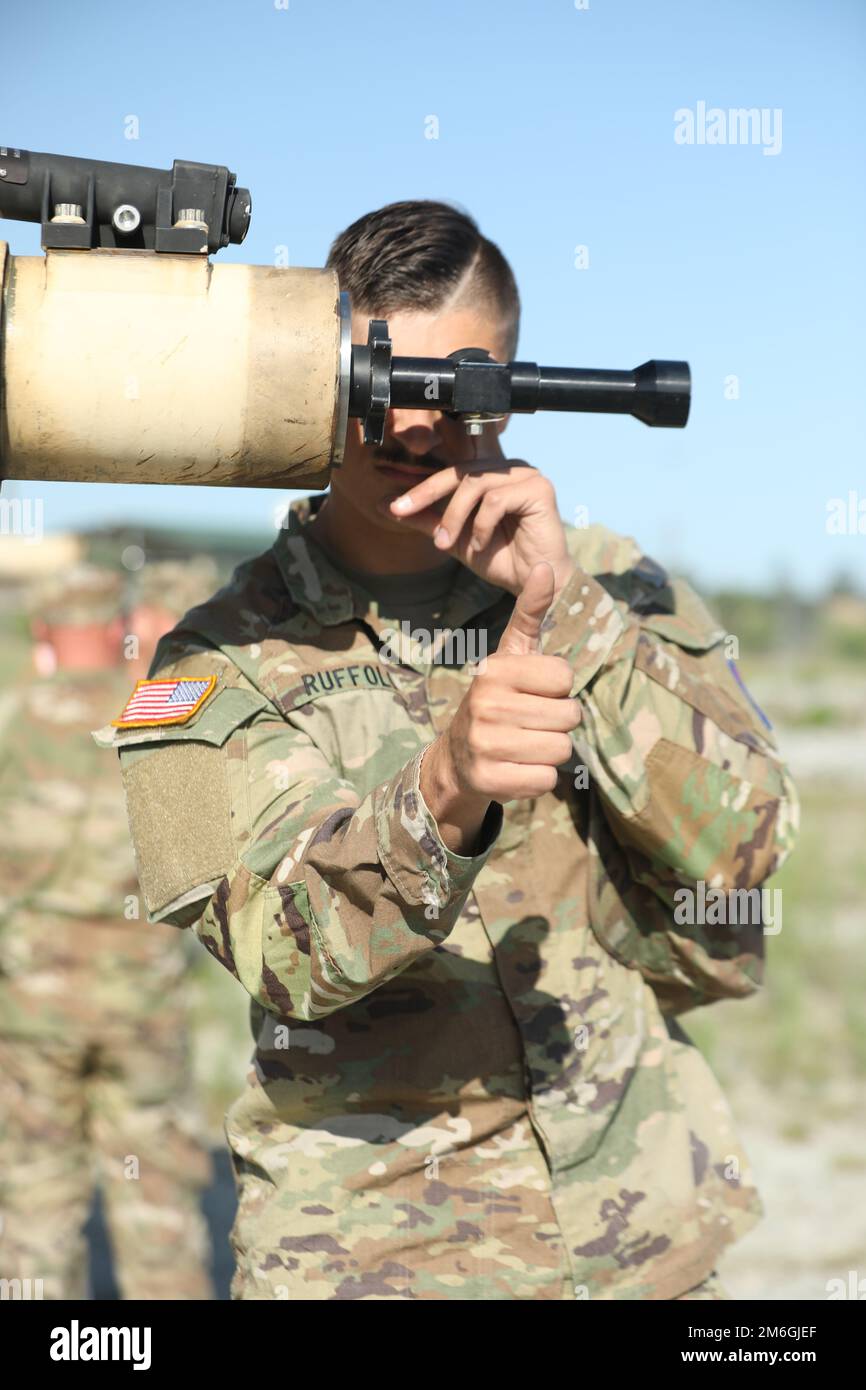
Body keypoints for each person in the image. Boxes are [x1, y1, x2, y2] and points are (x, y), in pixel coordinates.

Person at [98, 202, 799, 1301]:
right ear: (316, 376)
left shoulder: (609, 584)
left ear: (510, 382)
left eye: (456, 387)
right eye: (380, 383)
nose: (415, 426)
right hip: (375, 1262)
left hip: (638, 1239)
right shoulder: (194, 672)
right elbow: (280, 956)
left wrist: (570, 614)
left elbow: (746, 845)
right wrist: (441, 787)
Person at [0, 560, 215, 1300]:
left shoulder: (13, 716)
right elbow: (195, 858)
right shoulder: (156, 707)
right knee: (157, 1197)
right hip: (144, 1002)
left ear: (44, 629)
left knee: (33, 1201)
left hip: (33, 1009)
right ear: (118, 625)